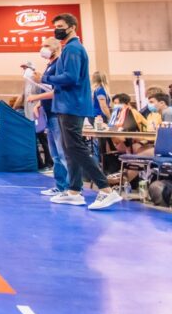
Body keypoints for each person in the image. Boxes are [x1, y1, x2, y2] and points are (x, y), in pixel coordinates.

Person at [41, 13, 121, 210]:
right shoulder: (69, 49)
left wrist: (46, 79)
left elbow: (71, 77)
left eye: (60, 25)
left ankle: (105, 189)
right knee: (69, 148)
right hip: (65, 104)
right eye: (55, 26)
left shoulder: (74, 49)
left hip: (72, 105)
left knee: (75, 147)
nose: (57, 29)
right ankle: (74, 191)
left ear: (72, 27)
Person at [26, 38, 69, 198]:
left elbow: (58, 91)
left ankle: (70, 189)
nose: (43, 48)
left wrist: (36, 98)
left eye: (46, 46)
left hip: (58, 114)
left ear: (56, 47)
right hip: (49, 113)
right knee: (55, 155)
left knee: (63, 154)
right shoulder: (50, 65)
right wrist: (39, 102)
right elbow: (47, 87)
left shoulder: (60, 64)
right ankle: (60, 186)